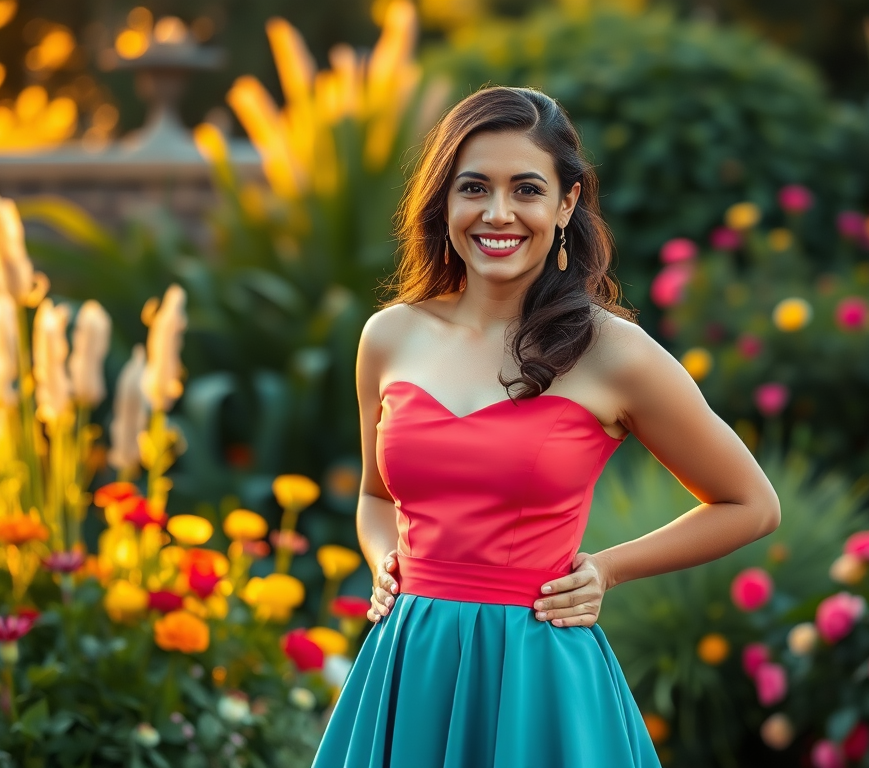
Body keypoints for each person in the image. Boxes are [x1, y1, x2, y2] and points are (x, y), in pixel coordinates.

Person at [311, 85, 780, 768]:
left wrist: (608, 572)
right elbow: (376, 497)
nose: (497, 213)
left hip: (537, 677)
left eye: (526, 189)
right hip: (409, 664)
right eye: (474, 187)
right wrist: (382, 557)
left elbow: (751, 504)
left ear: (565, 205)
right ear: (443, 202)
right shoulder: (389, 336)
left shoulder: (613, 353)